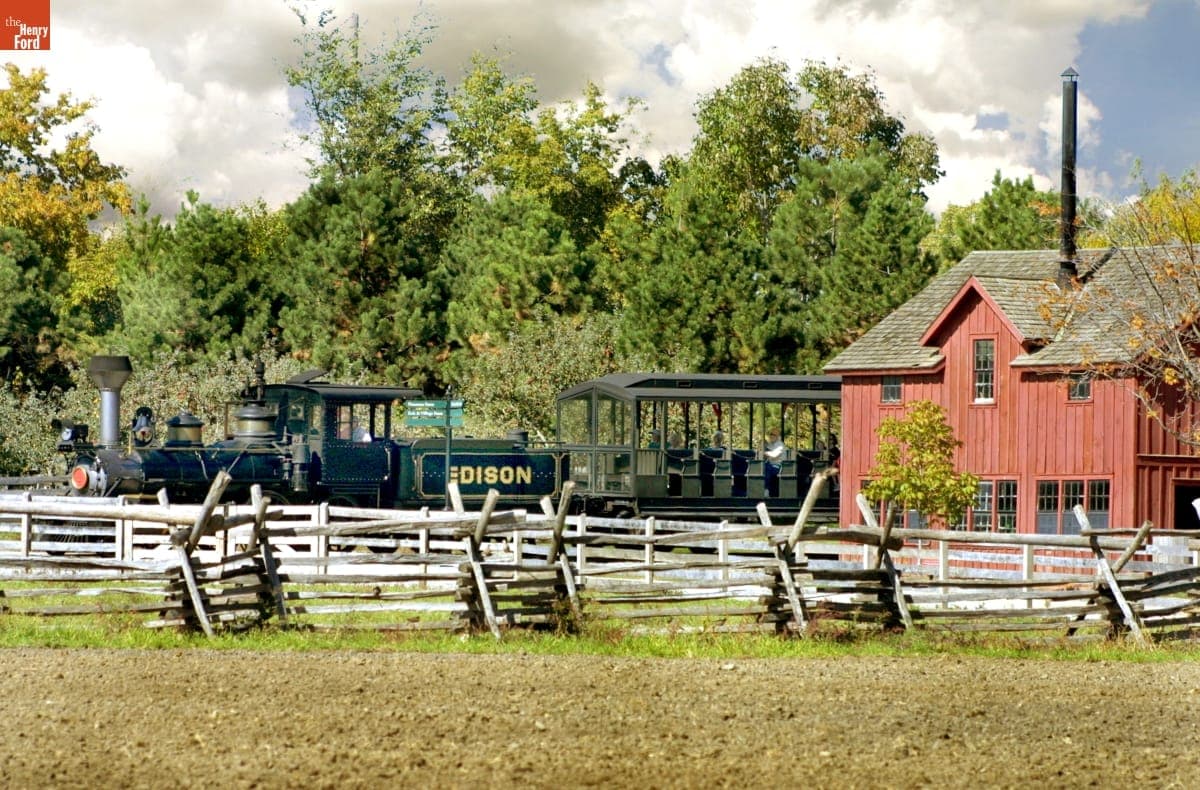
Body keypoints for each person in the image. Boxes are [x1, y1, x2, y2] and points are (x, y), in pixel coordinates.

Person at [763, 428, 785, 497]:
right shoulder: (771, 444)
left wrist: (764, 452)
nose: (771, 436)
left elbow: (774, 455)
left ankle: (766, 490)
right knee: (761, 466)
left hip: (779, 467)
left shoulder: (780, 445)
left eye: (773, 434)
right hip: (770, 465)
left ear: (778, 436)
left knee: (767, 467)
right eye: (770, 434)